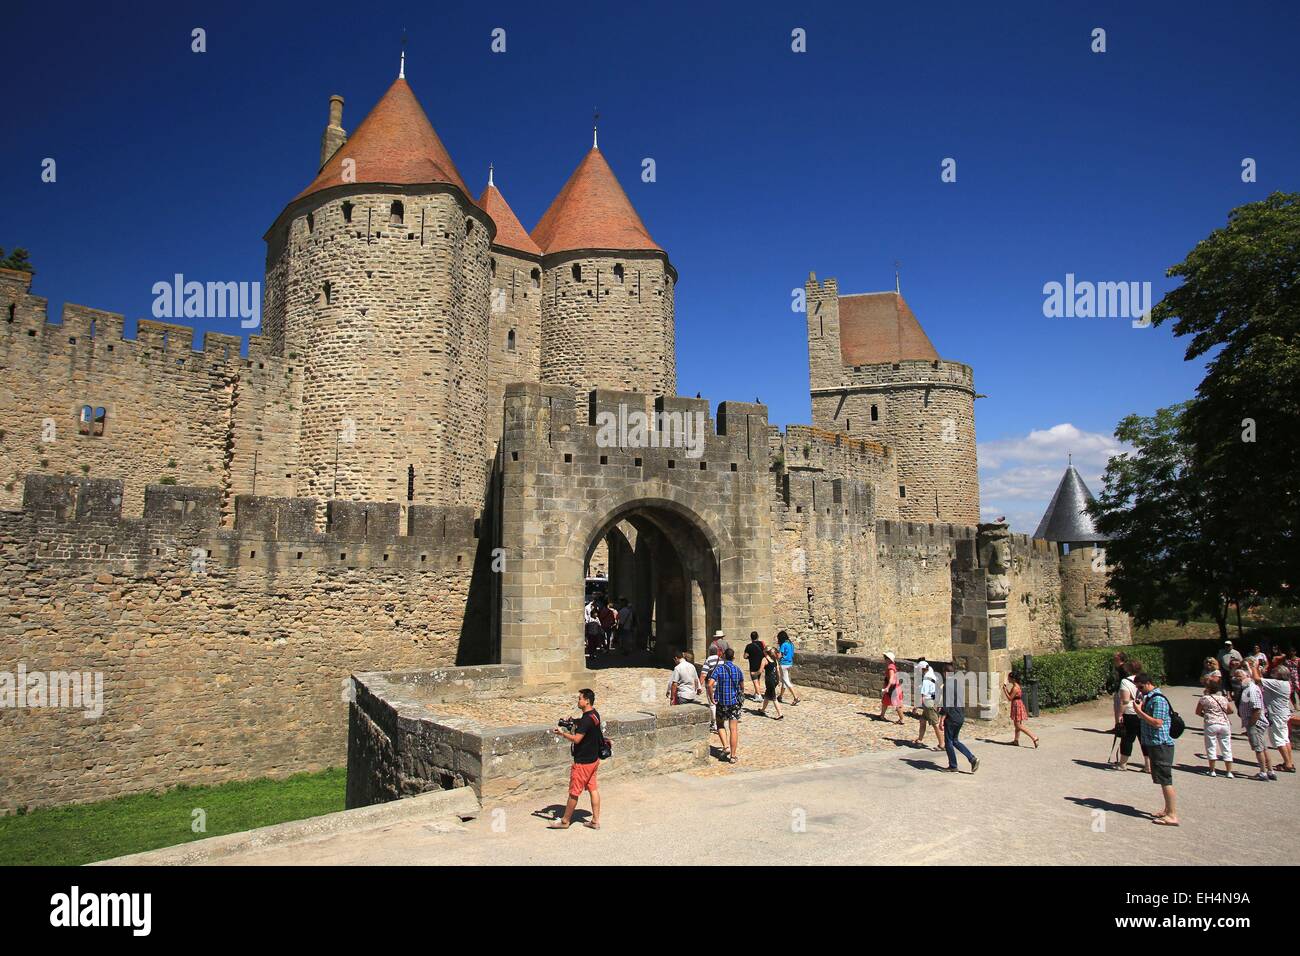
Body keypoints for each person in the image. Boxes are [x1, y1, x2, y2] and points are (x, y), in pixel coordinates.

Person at [548, 688, 603, 830]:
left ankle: (565, 821)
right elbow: (587, 725)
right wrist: (573, 721)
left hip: (583, 762)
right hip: (593, 760)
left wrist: (562, 734)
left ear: (587, 701)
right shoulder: (594, 715)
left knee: (574, 792)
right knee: (593, 789)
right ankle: (595, 821)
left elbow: (577, 739)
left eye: (580, 698)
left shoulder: (586, 720)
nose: (578, 700)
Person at [1133, 672, 1178, 826]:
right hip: (1154, 743)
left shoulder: (1158, 699)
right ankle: (1167, 810)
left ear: (1148, 683)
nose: (1139, 690)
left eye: (1140, 687)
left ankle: (1172, 815)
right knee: (1161, 779)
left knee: (1166, 780)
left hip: (1161, 743)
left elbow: (1158, 722)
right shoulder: (1149, 698)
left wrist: (1139, 711)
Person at [1251, 658, 1295, 774]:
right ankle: (1288, 762)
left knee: (1279, 740)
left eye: (1274, 672)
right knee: (1285, 739)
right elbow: (1262, 681)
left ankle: (1288, 765)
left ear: (1279, 674)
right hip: (1283, 714)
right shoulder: (1285, 683)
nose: (1272, 673)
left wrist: (1254, 666)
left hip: (1276, 715)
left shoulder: (1277, 683)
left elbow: (1256, 679)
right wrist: (1260, 670)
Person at [938, 663, 978, 773]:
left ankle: (953, 765)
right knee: (955, 740)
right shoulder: (958, 683)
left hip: (952, 717)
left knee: (948, 742)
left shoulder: (948, 685)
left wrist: (941, 719)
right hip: (960, 715)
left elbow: (947, 704)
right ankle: (972, 758)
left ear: (946, 672)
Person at [708, 648, 746, 763]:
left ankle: (725, 746)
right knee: (733, 729)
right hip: (734, 703)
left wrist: (712, 697)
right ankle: (733, 756)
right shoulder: (738, 670)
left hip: (722, 702)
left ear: (724, 656)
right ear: (733, 657)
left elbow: (710, 684)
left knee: (720, 724)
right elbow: (742, 686)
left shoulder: (719, 669)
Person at [1195, 673, 1235, 778]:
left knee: (1211, 747)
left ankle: (1212, 770)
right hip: (1224, 724)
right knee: (1226, 747)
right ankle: (1229, 772)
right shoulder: (1223, 698)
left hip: (1211, 723)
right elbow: (1230, 711)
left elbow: (1198, 712)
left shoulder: (1204, 698)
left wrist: (1207, 715)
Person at [1111, 661, 1141, 771]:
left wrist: (1119, 714)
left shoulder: (1125, 681)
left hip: (1131, 712)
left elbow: (1125, 700)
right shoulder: (1144, 679)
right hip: (1143, 712)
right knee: (1144, 740)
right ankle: (1148, 765)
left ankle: (1122, 764)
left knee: (1127, 739)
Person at [1003, 673, 1039, 748]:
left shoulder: (1015, 687)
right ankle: (1016, 740)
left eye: (1009, 678)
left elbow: (1010, 698)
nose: (1008, 679)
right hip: (1017, 704)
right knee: (1017, 724)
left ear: (1013, 679)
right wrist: (1006, 689)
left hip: (1016, 705)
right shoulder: (1015, 686)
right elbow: (1011, 695)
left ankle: (1034, 737)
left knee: (1018, 725)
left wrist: (1004, 691)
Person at [913, 659, 942, 750]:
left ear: (922, 669)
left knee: (935, 724)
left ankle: (942, 744)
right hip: (931, 701)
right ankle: (920, 740)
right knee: (922, 720)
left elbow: (923, 695)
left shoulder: (926, 679)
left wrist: (916, 707)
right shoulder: (931, 672)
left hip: (928, 702)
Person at [878, 652, 905, 724]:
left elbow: (891, 678)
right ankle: (882, 715)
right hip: (894, 687)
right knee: (885, 702)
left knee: (897, 704)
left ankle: (902, 719)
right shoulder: (891, 666)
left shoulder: (890, 667)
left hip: (893, 688)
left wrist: (887, 687)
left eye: (886, 658)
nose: (885, 659)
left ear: (889, 659)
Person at [758, 646, 784, 719]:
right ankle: (762, 710)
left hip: (770, 681)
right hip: (774, 680)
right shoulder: (774, 659)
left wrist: (755, 673)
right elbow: (778, 670)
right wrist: (778, 680)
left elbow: (760, 670)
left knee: (774, 698)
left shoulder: (765, 659)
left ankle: (780, 714)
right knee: (767, 695)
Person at [775, 631, 800, 705]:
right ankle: (780, 696)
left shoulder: (783, 644)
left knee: (786, 681)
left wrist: (775, 653)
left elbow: (779, 656)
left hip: (784, 664)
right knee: (784, 681)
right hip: (790, 663)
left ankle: (795, 697)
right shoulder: (790, 643)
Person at [743, 632, 767, 701]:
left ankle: (759, 695)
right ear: (758, 636)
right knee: (758, 679)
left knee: (754, 680)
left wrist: (750, 656)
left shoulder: (749, 646)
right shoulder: (762, 644)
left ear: (751, 637)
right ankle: (757, 693)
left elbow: (745, 656)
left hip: (753, 664)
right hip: (760, 664)